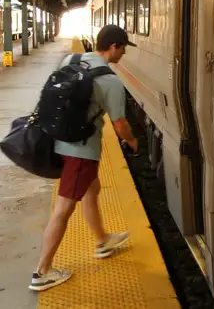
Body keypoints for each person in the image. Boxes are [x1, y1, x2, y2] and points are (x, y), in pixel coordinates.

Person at [29, 25, 140, 292]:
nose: (124, 52)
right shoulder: (111, 82)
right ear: (113, 47)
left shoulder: (72, 60)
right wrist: (132, 140)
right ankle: (42, 272)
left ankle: (103, 240)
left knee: (94, 188)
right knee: (63, 209)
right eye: (123, 47)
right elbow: (120, 124)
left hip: (59, 140)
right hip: (81, 152)